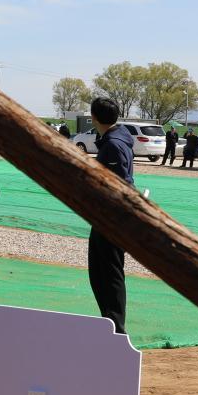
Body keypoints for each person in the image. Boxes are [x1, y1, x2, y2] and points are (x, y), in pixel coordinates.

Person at [88, 96, 134, 335]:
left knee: (109, 273)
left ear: (94, 117)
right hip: (104, 218)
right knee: (99, 272)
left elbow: (119, 185)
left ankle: (116, 327)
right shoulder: (112, 140)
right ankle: (110, 322)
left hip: (112, 219)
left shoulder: (114, 144)